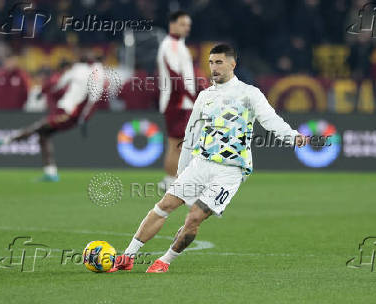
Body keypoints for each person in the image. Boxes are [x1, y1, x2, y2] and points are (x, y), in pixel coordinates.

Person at [108, 44, 307, 273]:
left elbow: (270, 120)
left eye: (219, 62)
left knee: (194, 218)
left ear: (233, 64)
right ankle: (128, 256)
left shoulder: (249, 94)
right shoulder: (205, 96)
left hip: (230, 170)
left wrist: (293, 136)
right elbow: (191, 135)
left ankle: (165, 260)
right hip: (200, 164)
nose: (214, 67)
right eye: (211, 63)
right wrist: (181, 170)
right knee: (164, 205)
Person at [0, 57, 105, 181]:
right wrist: (85, 117)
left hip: (67, 113)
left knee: (39, 127)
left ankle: (6, 140)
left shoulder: (78, 70)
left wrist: (42, 91)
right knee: (43, 134)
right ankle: (50, 172)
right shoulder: (97, 74)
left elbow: (56, 83)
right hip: (70, 113)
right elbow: (93, 99)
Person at [157, 10, 196, 191]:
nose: (186, 28)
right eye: (182, 24)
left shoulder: (178, 45)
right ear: (172, 25)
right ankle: (169, 180)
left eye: (188, 25)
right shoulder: (171, 45)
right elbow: (174, 75)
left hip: (181, 100)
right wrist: (191, 97)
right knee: (176, 144)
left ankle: (171, 180)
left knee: (180, 144)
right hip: (177, 101)